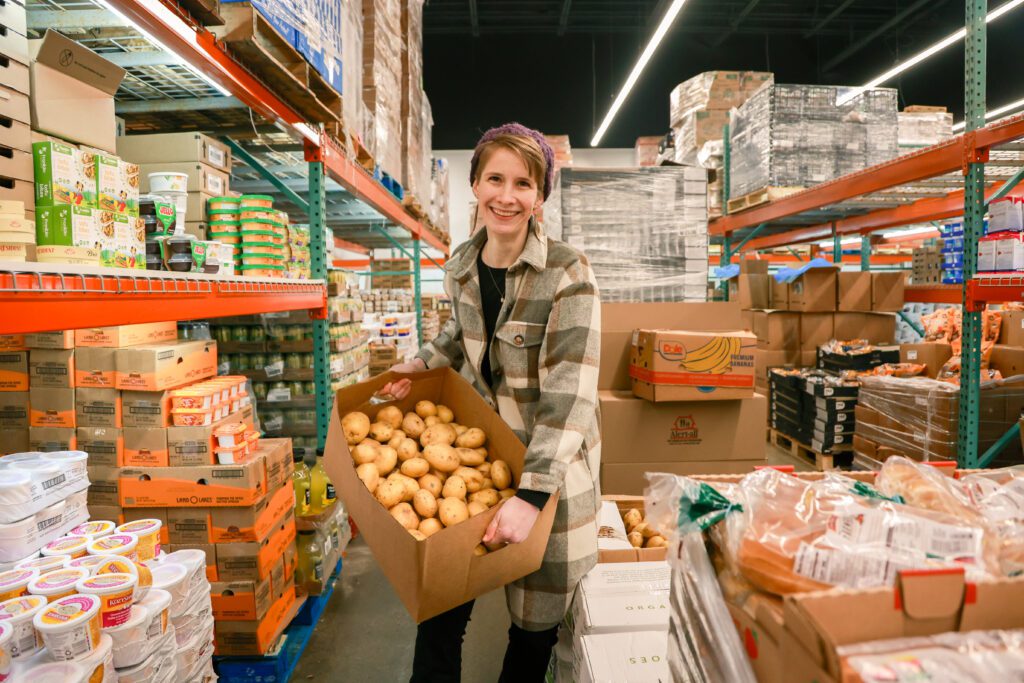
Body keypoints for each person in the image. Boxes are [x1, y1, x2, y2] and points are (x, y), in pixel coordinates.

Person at [380, 122, 602, 682]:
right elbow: (461, 335)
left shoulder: (567, 274)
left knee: (533, 628)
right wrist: (422, 362)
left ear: (540, 196)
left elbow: (569, 393)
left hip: (548, 470)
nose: (508, 196)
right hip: (481, 461)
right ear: (474, 185)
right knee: (441, 611)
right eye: (495, 179)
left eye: (523, 183)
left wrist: (531, 495)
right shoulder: (461, 265)